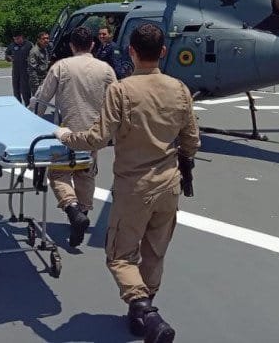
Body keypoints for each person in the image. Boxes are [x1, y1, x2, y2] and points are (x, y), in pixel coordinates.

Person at [55, 23, 199, 343]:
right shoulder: (179, 88)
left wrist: (66, 136)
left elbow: (97, 137)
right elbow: (191, 141)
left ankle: (145, 310)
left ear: (131, 51)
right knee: (154, 253)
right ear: (163, 52)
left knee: (120, 256)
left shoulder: (121, 90)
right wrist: (184, 164)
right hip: (170, 185)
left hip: (135, 188)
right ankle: (142, 314)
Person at [28, 26, 116, 247]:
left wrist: (32, 120)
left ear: (71, 45)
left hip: (67, 133)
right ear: (93, 45)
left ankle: (72, 209)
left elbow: (41, 99)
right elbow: (117, 102)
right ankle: (83, 212)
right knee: (86, 173)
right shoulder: (105, 69)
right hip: (95, 133)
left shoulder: (61, 66)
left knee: (58, 174)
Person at [4, 31, 32, 104]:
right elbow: (7, 55)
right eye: (15, 39)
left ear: (22, 37)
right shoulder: (12, 45)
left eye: (18, 39)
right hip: (16, 70)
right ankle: (18, 105)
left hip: (25, 70)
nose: (16, 41)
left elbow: (33, 55)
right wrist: (8, 58)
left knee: (25, 89)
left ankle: (28, 105)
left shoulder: (29, 45)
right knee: (16, 89)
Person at [27, 31, 51, 97]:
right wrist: (36, 85)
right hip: (37, 81)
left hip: (44, 80)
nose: (46, 40)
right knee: (37, 102)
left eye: (47, 38)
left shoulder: (45, 49)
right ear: (38, 40)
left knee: (43, 102)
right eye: (43, 38)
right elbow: (32, 70)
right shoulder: (34, 52)